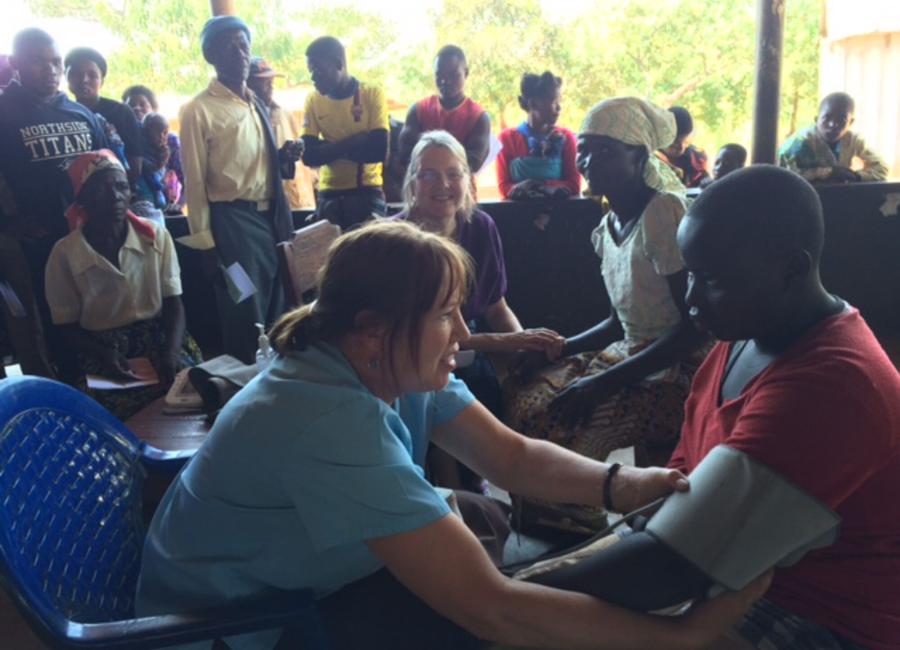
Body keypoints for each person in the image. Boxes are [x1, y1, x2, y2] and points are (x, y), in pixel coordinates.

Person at [136, 219, 767, 650]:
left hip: (291, 571)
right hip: (237, 624)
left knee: (479, 519)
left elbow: (508, 454)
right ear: (369, 331)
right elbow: (489, 604)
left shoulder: (391, 362)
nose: (464, 335)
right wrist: (680, 637)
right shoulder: (326, 415)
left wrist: (623, 485)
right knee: (486, 612)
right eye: (445, 315)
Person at [673, 164, 900, 650]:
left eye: (711, 279)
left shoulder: (834, 383)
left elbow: (679, 559)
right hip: (736, 574)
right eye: (691, 275)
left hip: (824, 616)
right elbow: (681, 478)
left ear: (791, 269)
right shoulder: (743, 336)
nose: (691, 300)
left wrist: (513, 595)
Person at [503, 97, 709, 531]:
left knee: (575, 425)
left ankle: (583, 527)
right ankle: (555, 521)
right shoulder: (607, 225)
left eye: (604, 150)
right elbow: (619, 320)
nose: (587, 161)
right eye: (584, 148)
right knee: (532, 403)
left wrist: (601, 383)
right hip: (632, 350)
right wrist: (558, 349)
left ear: (638, 156)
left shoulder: (662, 214)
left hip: (679, 364)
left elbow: (694, 328)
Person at [396, 129, 563, 487]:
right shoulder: (398, 241)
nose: (443, 184)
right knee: (453, 388)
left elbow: (496, 308)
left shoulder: (479, 227)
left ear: (467, 181)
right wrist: (503, 344)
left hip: (469, 351)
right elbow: (419, 337)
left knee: (523, 386)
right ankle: (454, 493)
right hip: (413, 357)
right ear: (412, 183)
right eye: (429, 174)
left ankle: (500, 492)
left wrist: (524, 347)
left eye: (453, 174)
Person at [178, 16, 303, 364]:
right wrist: (206, 243)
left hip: (271, 217)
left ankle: (281, 378)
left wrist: (283, 158)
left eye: (244, 44)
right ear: (211, 55)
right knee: (246, 307)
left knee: (280, 303)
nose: (240, 53)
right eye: (228, 46)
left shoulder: (255, 102)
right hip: (232, 222)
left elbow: (256, 165)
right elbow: (195, 180)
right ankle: (247, 385)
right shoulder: (198, 109)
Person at [43, 150, 200, 420]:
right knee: (115, 418)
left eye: (121, 187)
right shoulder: (65, 253)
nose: (115, 196)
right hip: (103, 349)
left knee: (193, 399)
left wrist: (172, 352)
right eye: (101, 189)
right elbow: (65, 327)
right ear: (82, 198)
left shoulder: (156, 237)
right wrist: (103, 354)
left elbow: (174, 302)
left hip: (161, 337)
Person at [0, 28, 108, 380]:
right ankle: (67, 392)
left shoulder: (79, 113)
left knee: (96, 316)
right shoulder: (4, 113)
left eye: (56, 62)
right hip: (40, 244)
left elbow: (107, 169)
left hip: (90, 237)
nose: (50, 70)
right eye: (38, 62)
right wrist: (8, 225)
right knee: (52, 326)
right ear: (16, 63)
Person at [301, 36, 388, 230]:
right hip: (327, 197)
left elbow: (378, 151)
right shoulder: (313, 100)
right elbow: (309, 156)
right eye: (310, 71)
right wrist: (354, 141)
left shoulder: (372, 94)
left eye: (318, 70)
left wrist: (328, 150)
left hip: (366, 195)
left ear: (338, 64)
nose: (313, 77)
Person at [398, 45, 491, 177]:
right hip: (423, 191)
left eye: (453, 75)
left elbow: (473, 164)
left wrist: (429, 161)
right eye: (439, 75)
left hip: (461, 193)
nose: (445, 81)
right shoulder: (418, 111)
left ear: (466, 73)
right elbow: (404, 156)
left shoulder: (479, 117)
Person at [247, 56, 317, 212]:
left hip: (297, 201)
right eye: (262, 80)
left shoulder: (284, 114)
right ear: (248, 83)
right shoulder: (242, 118)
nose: (270, 84)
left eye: (271, 79)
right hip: (263, 204)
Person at [496, 71, 579, 200]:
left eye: (559, 101)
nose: (559, 107)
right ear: (533, 104)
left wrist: (540, 186)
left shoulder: (566, 138)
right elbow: (504, 187)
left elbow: (574, 184)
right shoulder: (507, 140)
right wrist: (548, 188)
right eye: (553, 101)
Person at [64, 47, 142, 185]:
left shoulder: (121, 112)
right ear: (66, 77)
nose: (84, 80)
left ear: (102, 81)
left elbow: (135, 163)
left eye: (92, 75)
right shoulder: (62, 114)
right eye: (76, 74)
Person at [778, 92, 888, 183]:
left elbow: (882, 168)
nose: (833, 125)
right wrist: (823, 173)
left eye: (841, 120)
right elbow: (782, 177)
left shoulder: (853, 141)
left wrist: (857, 176)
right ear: (816, 119)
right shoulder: (800, 142)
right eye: (827, 118)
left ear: (851, 122)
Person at [121, 84, 185, 201]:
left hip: (165, 204)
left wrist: (178, 205)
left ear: (153, 110)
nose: (136, 108)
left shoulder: (170, 140)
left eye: (143, 104)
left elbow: (187, 178)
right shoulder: (120, 139)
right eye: (131, 105)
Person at [134, 112, 180, 214]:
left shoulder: (164, 150)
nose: (162, 136)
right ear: (146, 132)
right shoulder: (140, 147)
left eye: (165, 133)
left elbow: (160, 171)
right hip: (144, 189)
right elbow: (145, 167)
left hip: (158, 186)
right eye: (157, 132)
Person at [657, 105, 710, 188]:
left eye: (686, 142)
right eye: (675, 143)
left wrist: (707, 182)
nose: (681, 148)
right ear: (663, 136)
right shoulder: (650, 158)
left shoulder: (697, 158)